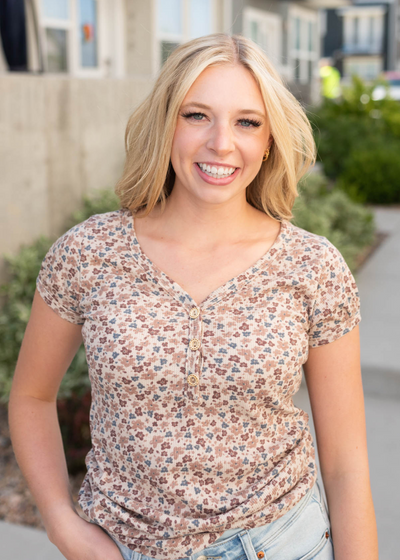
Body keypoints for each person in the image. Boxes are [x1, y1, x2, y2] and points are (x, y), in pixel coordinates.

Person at [8, 34, 378, 560]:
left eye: (247, 122)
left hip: (279, 543)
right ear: (166, 122)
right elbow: (31, 397)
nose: (221, 143)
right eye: (197, 115)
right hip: (119, 545)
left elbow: (345, 463)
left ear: (270, 138)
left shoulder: (313, 268)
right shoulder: (89, 253)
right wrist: (60, 522)